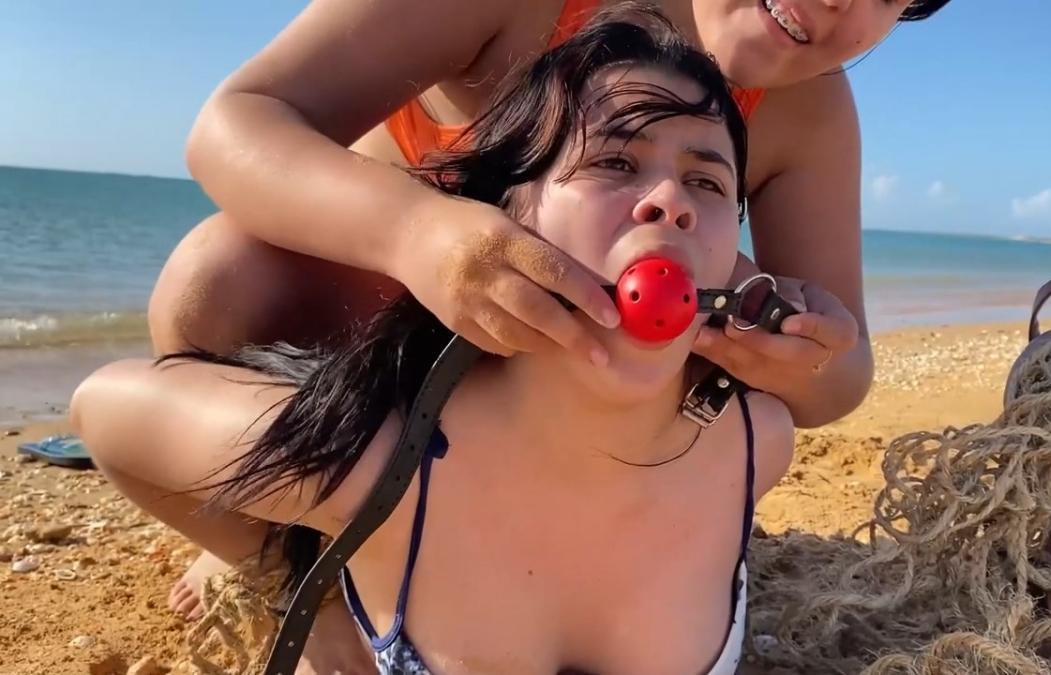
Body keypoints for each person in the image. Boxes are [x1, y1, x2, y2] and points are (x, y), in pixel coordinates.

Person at [151, 0, 952, 626]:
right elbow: (237, 121)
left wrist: (798, 350)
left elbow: (843, 372)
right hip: (374, 346)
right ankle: (275, 548)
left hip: (556, 411)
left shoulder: (807, 107)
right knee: (214, 283)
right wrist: (416, 231)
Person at [72, 7, 798, 673]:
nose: (671, 201)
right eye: (615, 162)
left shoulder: (755, 444)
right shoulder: (376, 465)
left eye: (707, 182)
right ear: (510, 212)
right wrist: (294, 583)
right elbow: (103, 408)